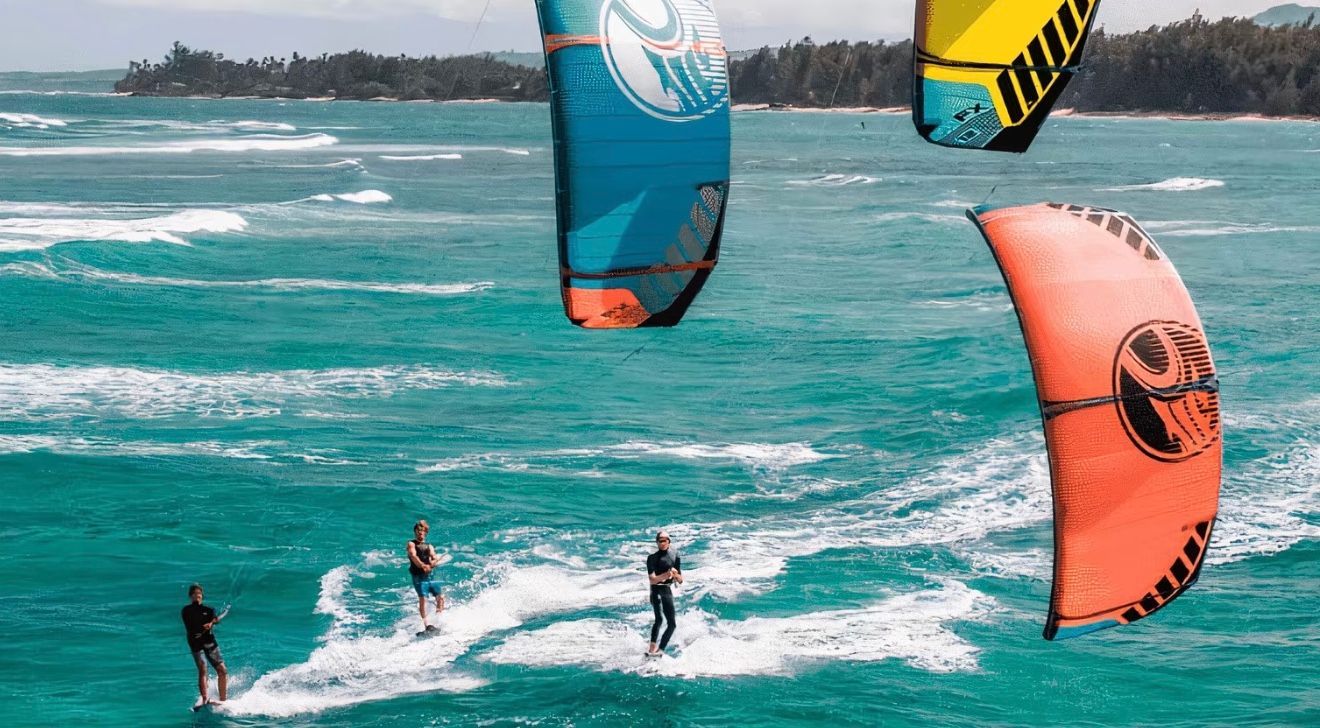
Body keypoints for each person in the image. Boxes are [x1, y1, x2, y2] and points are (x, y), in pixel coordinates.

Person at [181, 583, 228, 707]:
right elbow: (191, 626)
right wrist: (206, 625)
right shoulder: (186, 611)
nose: (197, 596)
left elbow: (215, 620)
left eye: (199, 594)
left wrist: (211, 623)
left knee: (222, 670)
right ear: (190, 596)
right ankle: (205, 698)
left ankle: (223, 701)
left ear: (202, 596)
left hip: (210, 642)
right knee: (203, 668)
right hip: (195, 642)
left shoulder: (209, 610)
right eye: (194, 594)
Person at [645, 530, 683, 656]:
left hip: (667, 589)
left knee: (672, 624)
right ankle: (651, 650)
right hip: (656, 590)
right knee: (659, 620)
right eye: (660, 541)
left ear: (669, 541)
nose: (662, 543)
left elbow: (680, 580)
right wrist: (666, 574)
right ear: (656, 542)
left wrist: (675, 574)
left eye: (665, 540)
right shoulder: (652, 558)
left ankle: (660, 651)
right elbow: (652, 579)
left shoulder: (675, 556)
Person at [407, 519, 445, 633]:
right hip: (419, 577)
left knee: (441, 597)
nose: (420, 533)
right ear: (415, 532)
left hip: (430, 577)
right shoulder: (411, 544)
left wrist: (433, 563)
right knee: (423, 599)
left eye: (422, 531)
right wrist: (423, 566)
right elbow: (413, 556)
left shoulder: (429, 546)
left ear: (425, 533)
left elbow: (434, 557)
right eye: (418, 531)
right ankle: (426, 625)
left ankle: (438, 622)